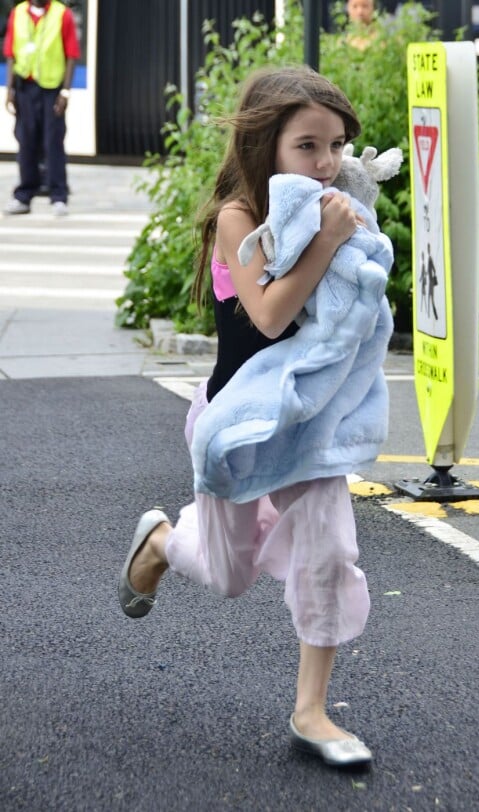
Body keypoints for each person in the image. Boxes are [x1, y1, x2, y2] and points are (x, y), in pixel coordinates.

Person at [118, 66, 389, 768]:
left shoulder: (335, 203)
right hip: (238, 424)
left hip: (311, 426)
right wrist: (326, 243)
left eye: (335, 146)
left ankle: (312, 712)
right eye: (307, 146)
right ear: (267, 145)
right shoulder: (239, 220)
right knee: (226, 573)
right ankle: (161, 543)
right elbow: (268, 317)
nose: (326, 164)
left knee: (330, 552)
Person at [3, 0, 80, 216]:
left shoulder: (61, 14)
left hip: (52, 90)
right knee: (25, 141)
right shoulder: (18, 13)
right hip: (25, 88)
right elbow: (10, 53)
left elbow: (72, 54)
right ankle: (24, 196)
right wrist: (9, 89)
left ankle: (58, 195)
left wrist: (65, 91)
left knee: (52, 141)